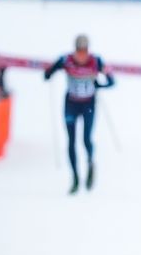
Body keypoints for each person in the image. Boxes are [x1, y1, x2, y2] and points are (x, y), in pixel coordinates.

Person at [44, 35, 115, 194]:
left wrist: (100, 85)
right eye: (79, 50)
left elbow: (112, 81)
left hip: (88, 104)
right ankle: (75, 178)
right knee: (71, 141)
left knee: (86, 139)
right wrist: (49, 73)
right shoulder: (66, 60)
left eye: (84, 51)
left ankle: (90, 163)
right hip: (71, 104)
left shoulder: (96, 61)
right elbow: (49, 72)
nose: (81, 54)